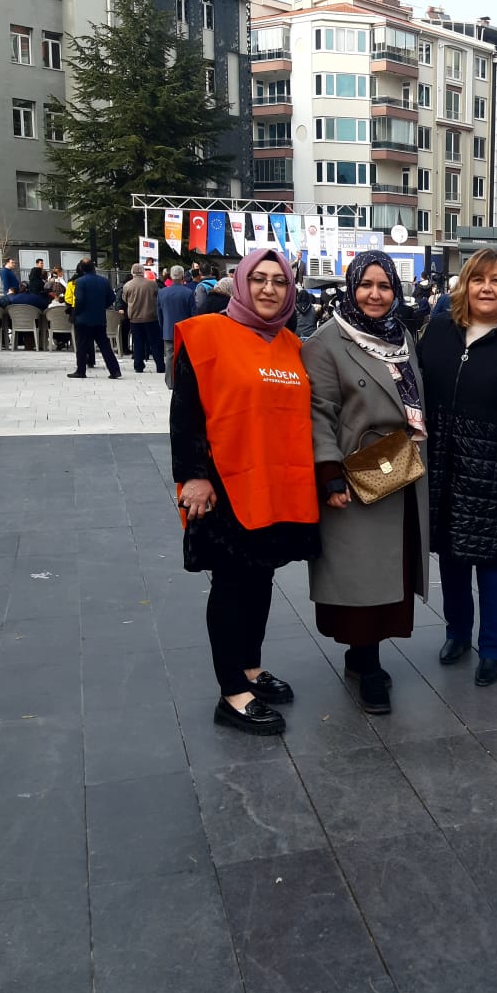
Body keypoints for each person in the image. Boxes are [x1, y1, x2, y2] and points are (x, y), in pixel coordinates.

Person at [171, 248, 321, 735]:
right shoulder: (206, 334)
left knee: (260, 578)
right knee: (232, 583)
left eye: (279, 281)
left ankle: (251, 668)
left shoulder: (291, 345)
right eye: (259, 278)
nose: (269, 289)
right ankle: (232, 691)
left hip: (274, 486)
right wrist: (194, 475)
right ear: (240, 283)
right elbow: (186, 411)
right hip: (224, 486)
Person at [301, 251, 429, 715]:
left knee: (391, 570)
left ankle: (365, 658)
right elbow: (319, 413)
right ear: (351, 287)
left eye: (385, 285)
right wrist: (329, 472)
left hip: (402, 470)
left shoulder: (402, 337)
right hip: (357, 476)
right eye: (366, 285)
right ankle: (366, 663)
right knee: (362, 576)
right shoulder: (326, 341)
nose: (375, 295)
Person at [417, 249, 497, 687]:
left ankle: (493, 649)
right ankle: (457, 633)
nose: (487, 288)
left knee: (493, 563)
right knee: (452, 558)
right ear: (465, 286)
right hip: (444, 465)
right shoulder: (439, 332)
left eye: (496, 280)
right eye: (478, 279)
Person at [66, 259, 122, 379]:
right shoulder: (104, 281)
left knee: (81, 345)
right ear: (93, 268)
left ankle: (81, 370)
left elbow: (79, 300)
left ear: (82, 269)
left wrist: (75, 314)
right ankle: (115, 370)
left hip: (83, 319)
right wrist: (102, 306)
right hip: (99, 318)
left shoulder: (80, 281)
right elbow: (111, 297)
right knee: (105, 345)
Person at [157, 265, 197, 388]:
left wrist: (163, 326)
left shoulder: (162, 292)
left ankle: (170, 382)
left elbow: (159, 313)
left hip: (168, 329)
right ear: (182, 276)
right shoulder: (188, 293)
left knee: (170, 356)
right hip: (185, 330)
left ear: (171, 276)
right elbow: (193, 314)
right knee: (185, 357)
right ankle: (183, 381)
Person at [121, 263, 163, 373]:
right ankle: (160, 366)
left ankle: (138, 365)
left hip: (135, 318)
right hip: (151, 317)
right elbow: (157, 296)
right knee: (155, 342)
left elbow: (125, 299)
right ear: (143, 272)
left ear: (132, 272)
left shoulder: (127, 285)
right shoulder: (152, 284)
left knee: (138, 342)